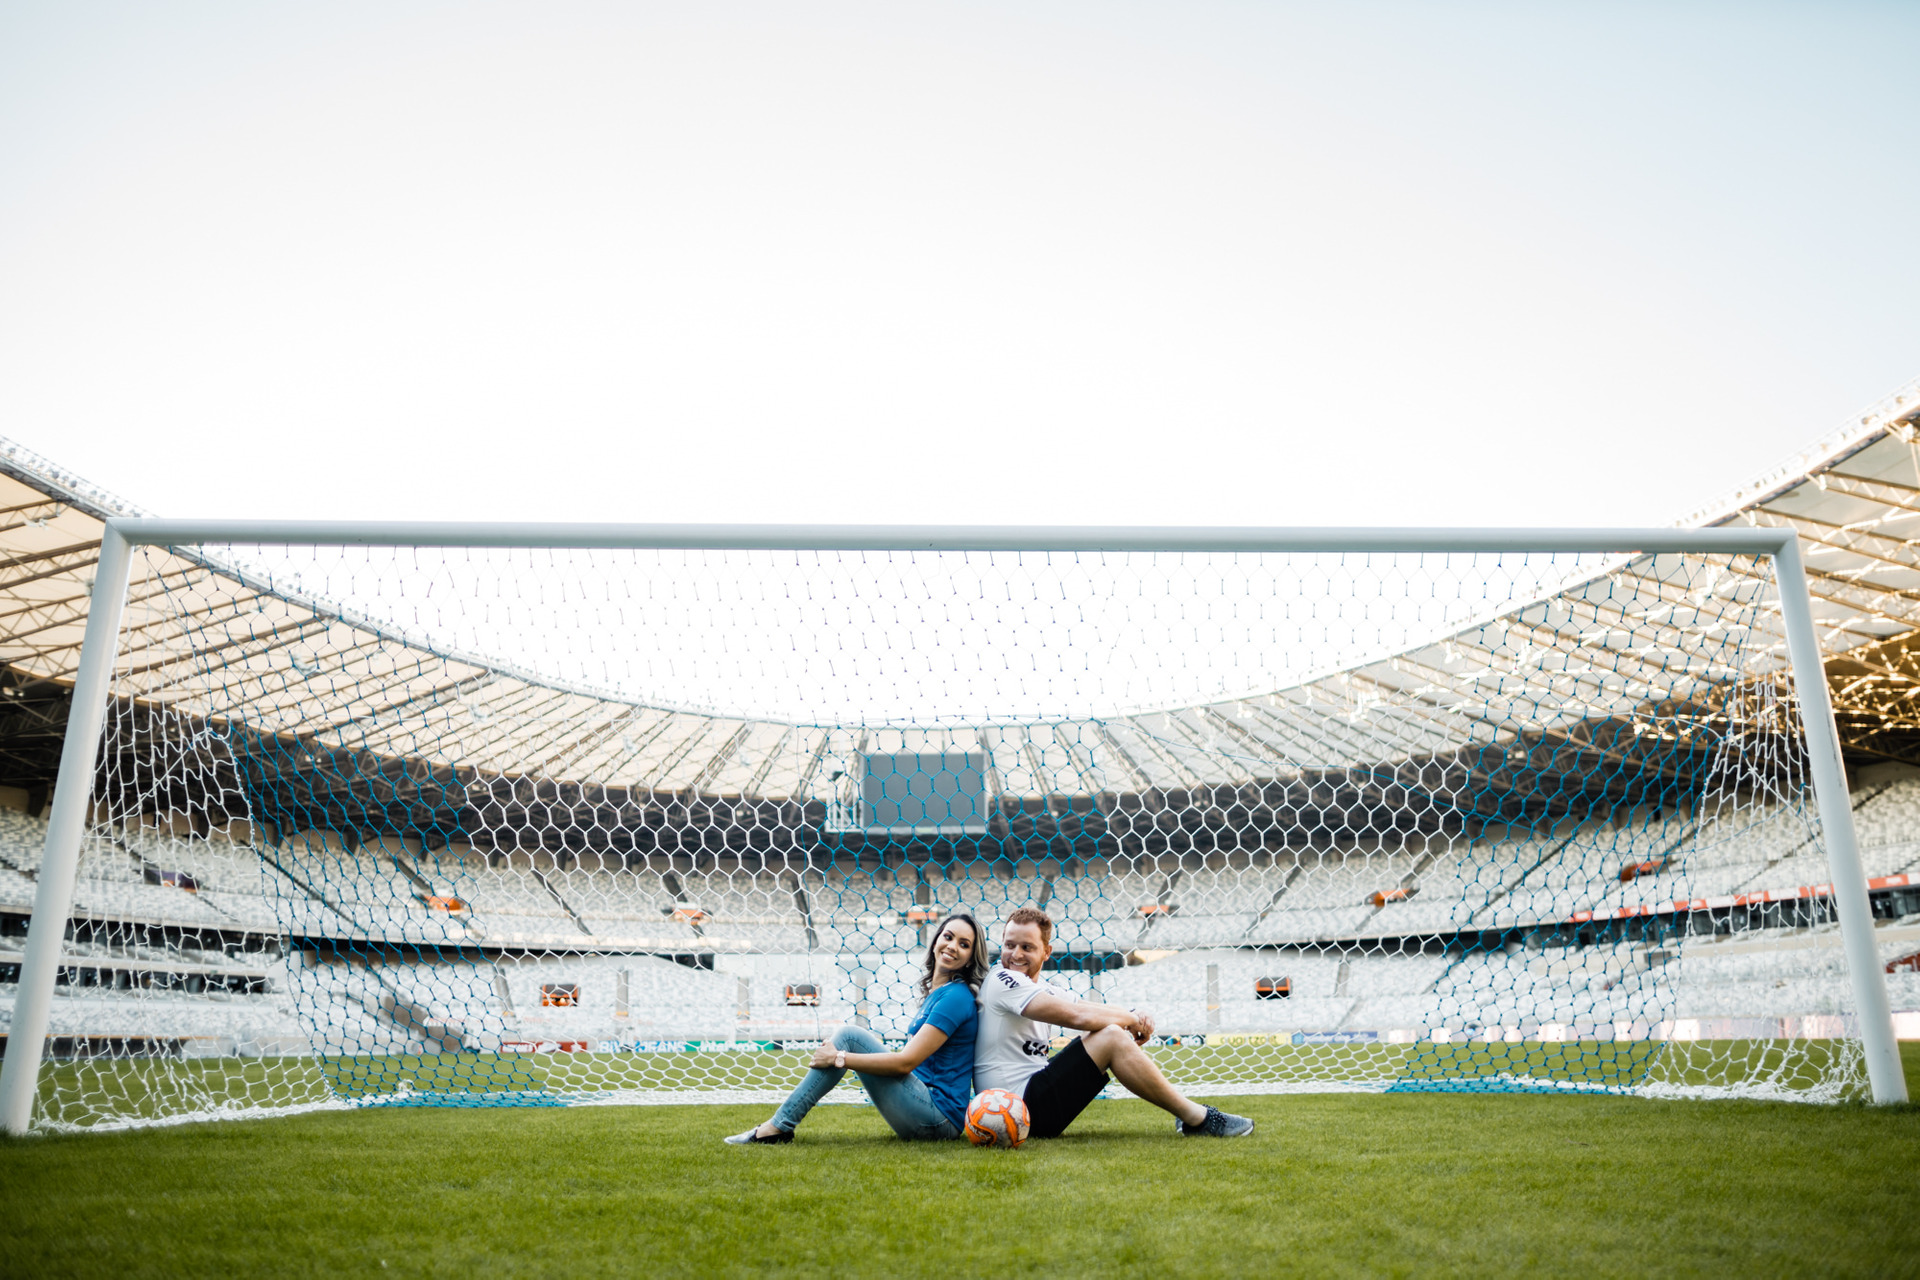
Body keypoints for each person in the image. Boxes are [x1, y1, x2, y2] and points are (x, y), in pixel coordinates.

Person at [975, 906, 1254, 1139]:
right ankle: (1197, 1118)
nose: (1015, 954)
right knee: (1111, 1036)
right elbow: (1077, 1017)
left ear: (1047, 952)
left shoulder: (1041, 988)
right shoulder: (1002, 980)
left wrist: (1132, 1013)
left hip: (1027, 1106)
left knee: (1108, 1031)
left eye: (1027, 947)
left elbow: (1083, 1006)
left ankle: (1191, 1116)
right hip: (1010, 1109)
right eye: (1009, 945)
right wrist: (1130, 1019)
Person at [725, 911, 986, 1144]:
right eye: (948, 937)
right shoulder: (941, 992)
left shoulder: (955, 997)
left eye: (964, 945)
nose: (952, 946)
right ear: (936, 939)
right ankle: (779, 1125)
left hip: (938, 1119)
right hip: (926, 1107)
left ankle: (778, 1127)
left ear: (970, 959)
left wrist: (838, 1058)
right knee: (848, 1037)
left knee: (849, 1037)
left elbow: (905, 1063)